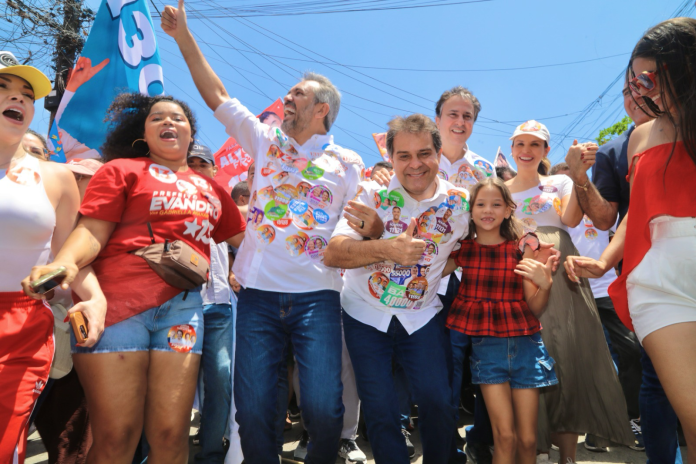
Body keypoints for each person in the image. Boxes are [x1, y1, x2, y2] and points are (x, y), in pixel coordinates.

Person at [161, 3, 383, 463]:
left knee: (323, 409)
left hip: (318, 299)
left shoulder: (348, 164)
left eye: (297, 94)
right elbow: (217, 94)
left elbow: (363, 228)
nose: (286, 98)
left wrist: (378, 228)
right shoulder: (263, 139)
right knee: (255, 413)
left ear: (322, 108)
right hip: (258, 297)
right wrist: (184, 36)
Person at [23, 91, 246, 463]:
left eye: (178, 118)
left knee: (171, 437)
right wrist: (64, 263)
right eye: (157, 118)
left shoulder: (213, 188)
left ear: (191, 134)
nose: (168, 122)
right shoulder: (122, 170)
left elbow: (251, 242)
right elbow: (92, 230)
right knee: (117, 437)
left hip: (184, 311)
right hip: (114, 310)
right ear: (142, 134)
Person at [565, 17, 696, 464]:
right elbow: (634, 214)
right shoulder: (640, 137)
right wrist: (603, 263)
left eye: (649, 78)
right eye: (634, 80)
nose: (641, 89)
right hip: (660, 285)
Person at [324, 113, 469, 464]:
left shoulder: (461, 204)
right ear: (391, 159)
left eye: (424, 154)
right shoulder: (371, 194)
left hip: (422, 316)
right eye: (403, 156)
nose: (415, 164)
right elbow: (333, 253)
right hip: (363, 315)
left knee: (438, 401)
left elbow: (468, 250)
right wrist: (388, 248)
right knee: (381, 411)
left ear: (438, 154)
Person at [504, 119, 635, 463]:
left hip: (561, 271)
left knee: (565, 358)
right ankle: (535, 448)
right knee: (526, 359)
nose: (527, 151)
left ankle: (567, 455)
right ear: (512, 148)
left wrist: (579, 174)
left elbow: (574, 221)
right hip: (517, 270)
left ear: (546, 151)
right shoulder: (499, 188)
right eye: (521, 144)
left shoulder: (559, 181)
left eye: (535, 145)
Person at [0, 50, 96, 463]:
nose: (18, 99)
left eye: (27, 94)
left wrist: (94, 300)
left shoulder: (56, 178)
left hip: (23, 324)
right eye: (4, 89)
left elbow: (70, 256)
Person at [445, 177, 558, 464]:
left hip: (528, 347)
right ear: (470, 211)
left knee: (529, 440)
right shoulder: (463, 250)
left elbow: (534, 307)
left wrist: (545, 285)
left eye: (496, 204)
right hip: (488, 352)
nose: (488, 210)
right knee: (504, 437)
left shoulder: (523, 247)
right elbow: (426, 270)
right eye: (480, 204)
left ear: (509, 210)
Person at [552, 160, 644, 452]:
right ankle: (574, 428)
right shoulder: (551, 212)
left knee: (631, 352)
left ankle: (626, 419)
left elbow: (621, 236)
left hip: (605, 291)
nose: (571, 189)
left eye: (574, 182)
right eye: (562, 184)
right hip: (567, 289)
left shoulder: (601, 206)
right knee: (574, 362)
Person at [187, 143, 237, 464]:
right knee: (175, 381)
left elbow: (244, 236)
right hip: (183, 304)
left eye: (202, 163)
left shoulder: (224, 202)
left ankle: (211, 453)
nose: (196, 168)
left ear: (214, 170)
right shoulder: (172, 199)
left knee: (220, 377)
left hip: (220, 306)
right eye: (189, 162)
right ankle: (165, 452)